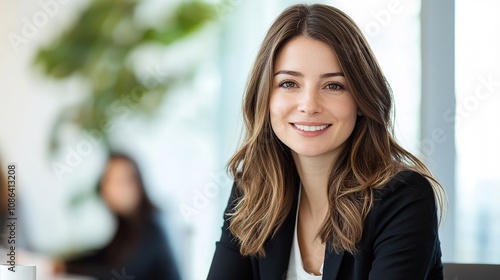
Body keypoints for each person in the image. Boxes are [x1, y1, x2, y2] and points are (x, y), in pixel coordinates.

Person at [207, 3, 446, 280]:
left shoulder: (402, 198)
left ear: (361, 99)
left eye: (334, 86)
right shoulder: (253, 190)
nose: (309, 105)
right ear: (265, 97)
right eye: (288, 84)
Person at [54, 153, 181, 280]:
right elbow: (105, 255)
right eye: (107, 180)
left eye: (119, 182)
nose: (110, 188)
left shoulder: (151, 228)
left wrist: (67, 269)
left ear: (137, 185)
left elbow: (119, 274)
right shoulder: (126, 223)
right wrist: (65, 263)